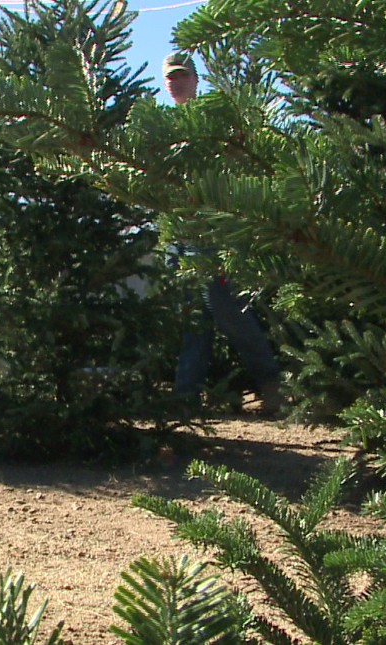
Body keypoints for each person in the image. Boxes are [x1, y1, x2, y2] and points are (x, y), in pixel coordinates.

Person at [163, 52, 284, 415]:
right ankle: (185, 401)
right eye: (170, 76)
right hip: (178, 239)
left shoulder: (211, 122)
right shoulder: (162, 127)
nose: (176, 81)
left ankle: (273, 392)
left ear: (196, 80)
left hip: (213, 240)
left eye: (182, 75)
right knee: (192, 324)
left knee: (233, 315)